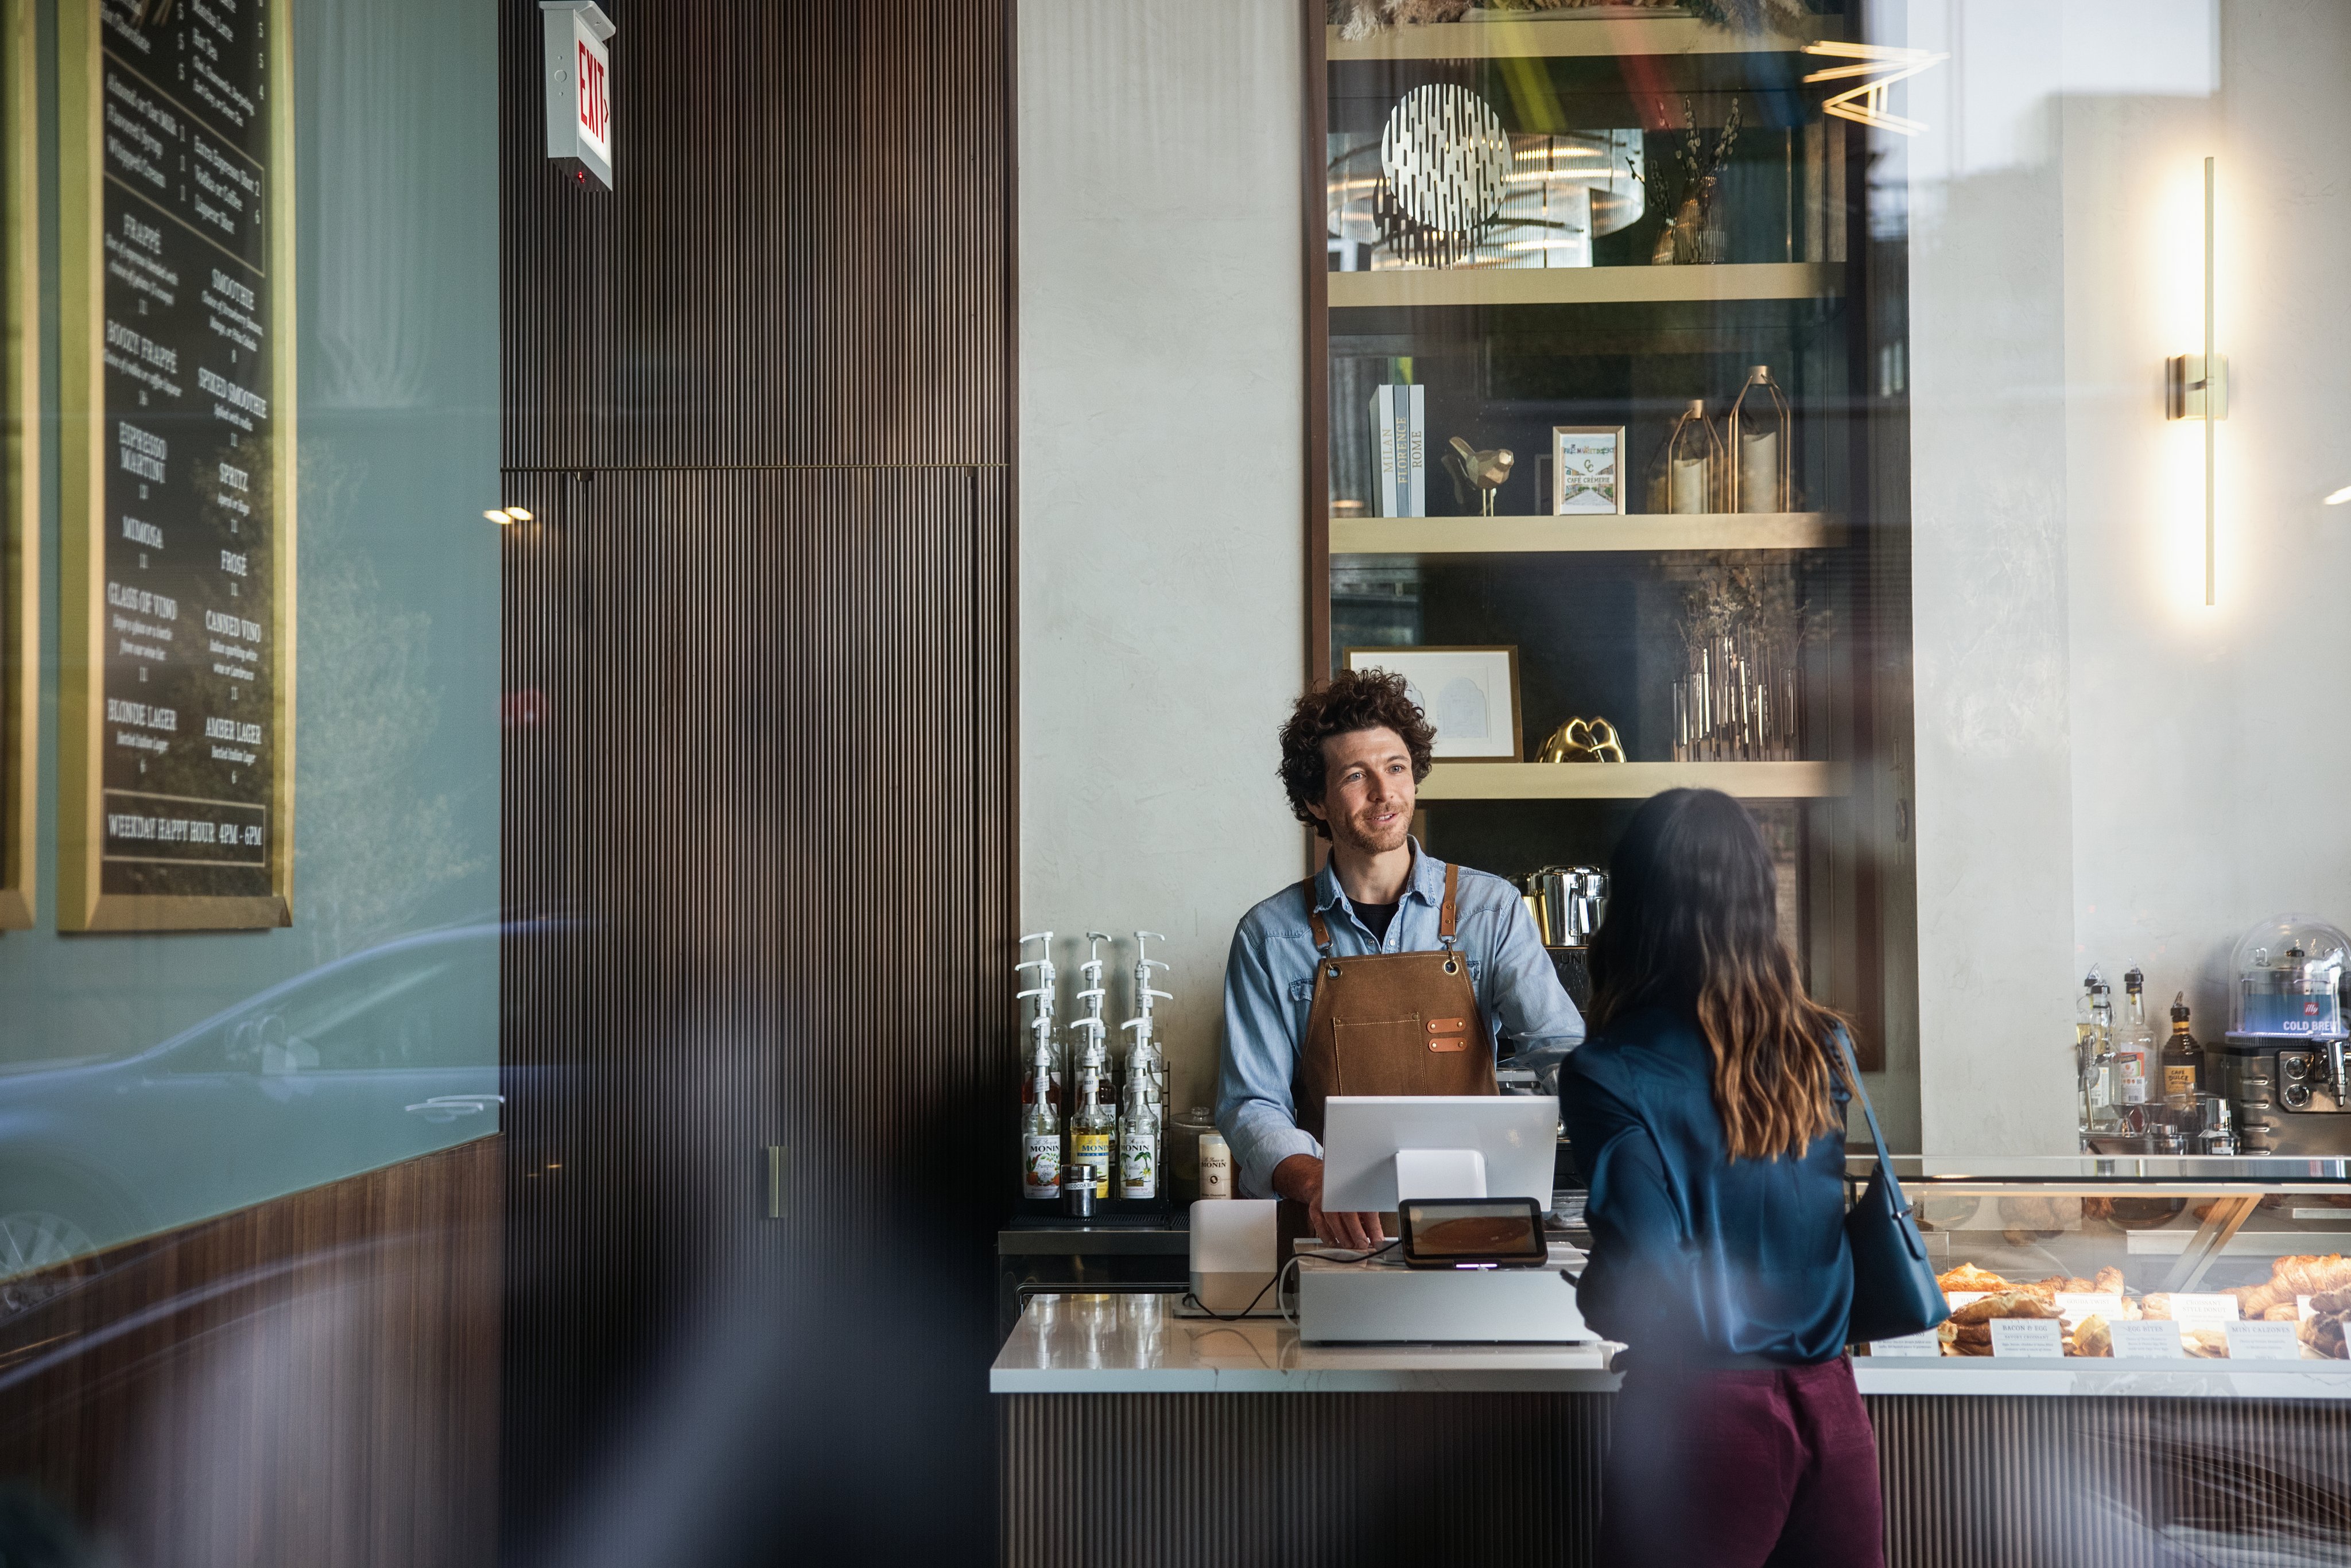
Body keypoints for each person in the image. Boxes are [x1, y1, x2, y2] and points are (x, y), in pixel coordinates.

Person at [1562, 787, 1883, 1567]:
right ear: (1757, 898)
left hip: (1700, 1422)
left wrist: (1590, 1292)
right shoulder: (1821, 1045)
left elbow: (1652, 1270)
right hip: (1833, 1412)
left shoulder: (1608, 1071)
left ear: (1632, 907)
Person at [1215, 669, 1584, 1248]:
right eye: (1356, 775)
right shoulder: (1268, 936)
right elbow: (1250, 1102)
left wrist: (1615, 1131)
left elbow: (1558, 1047)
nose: (1384, 792)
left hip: (1474, 1227)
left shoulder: (1491, 910)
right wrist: (1314, 1181)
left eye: (1395, 768)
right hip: (1335, 1237)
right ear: (1316, 799)